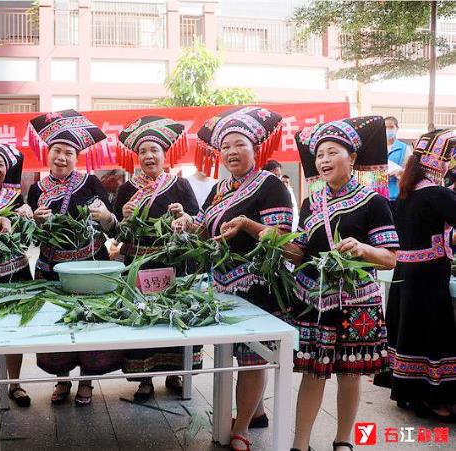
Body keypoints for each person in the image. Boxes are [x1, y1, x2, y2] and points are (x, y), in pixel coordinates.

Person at [172, 106, 293, 451]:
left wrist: (248, 225)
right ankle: (256, 413)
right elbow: (206, 228)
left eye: (239, 144)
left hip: (258, 285)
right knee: (236, 356)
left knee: (253, 357)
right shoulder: (221, 187)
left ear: (256, 148)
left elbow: (284, 238)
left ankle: (239, 427)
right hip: (224, 285)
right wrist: (188, 225)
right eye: (225, 147)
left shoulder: (271, 186)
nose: (231, 152)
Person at [286, 117, 398, 451]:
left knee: (350, 374)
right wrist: (276, 245)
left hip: (357, 303)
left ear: (351, 159)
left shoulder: (373, 202)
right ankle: (300, 444)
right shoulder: (310, 203)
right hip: (314, 301)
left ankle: (343, 441)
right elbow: (301, 251)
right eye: (319, 154)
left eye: (331, 152)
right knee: (313, 372)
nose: (322, 160)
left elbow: (391, 258)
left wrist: (363, 248)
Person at [27, 109, 121, 406]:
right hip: (52, 268)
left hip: (90, 266)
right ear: (48, 153)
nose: (62, 157)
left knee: (89, 323)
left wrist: (106, 216)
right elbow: (30, 237)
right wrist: (36, 224)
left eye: (69, 152)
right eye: (57, 151)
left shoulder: (91, 183)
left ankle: (87, 382)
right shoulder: (36, 190)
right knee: (57, 324)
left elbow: (112, 226)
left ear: (77, 157)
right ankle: (62, 379)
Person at [113, 115, 201, 401]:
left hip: (172, 264)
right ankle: (144, 379)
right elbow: (118, 232)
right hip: (138, 266)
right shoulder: (127, 189)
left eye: (154, 150)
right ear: (136, 157)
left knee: (172, 318)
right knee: (142, 318)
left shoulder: (180, 185)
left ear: (165, 155)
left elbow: (197, 223)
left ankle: (175, 373)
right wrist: (124, 217)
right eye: (143, 151)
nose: (149, 156)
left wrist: (183, 218)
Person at [373, 129, 456, 421]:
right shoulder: (437, 194)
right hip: (428, 278)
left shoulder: (408, 191)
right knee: (431, 333)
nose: (448, 166)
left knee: (408, 329)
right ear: (436, 161)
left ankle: (407, 392)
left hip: (405, 274)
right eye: (447, 159)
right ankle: (432, 399)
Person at [0, 141, 33, 407]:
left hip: (16, 272)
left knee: (14, 328)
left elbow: (27, 238)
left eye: (1, 164)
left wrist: (27, 218)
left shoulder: (15, 198)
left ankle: (15, 383)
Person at [385, 116, 412, 213]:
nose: (388, 130)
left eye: (391, 127)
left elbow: (410, 169)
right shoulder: (378, 148)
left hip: (398, 193)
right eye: (385, 127)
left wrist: (401, 171)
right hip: (380, 193)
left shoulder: (404, 148)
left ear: (397, 128)